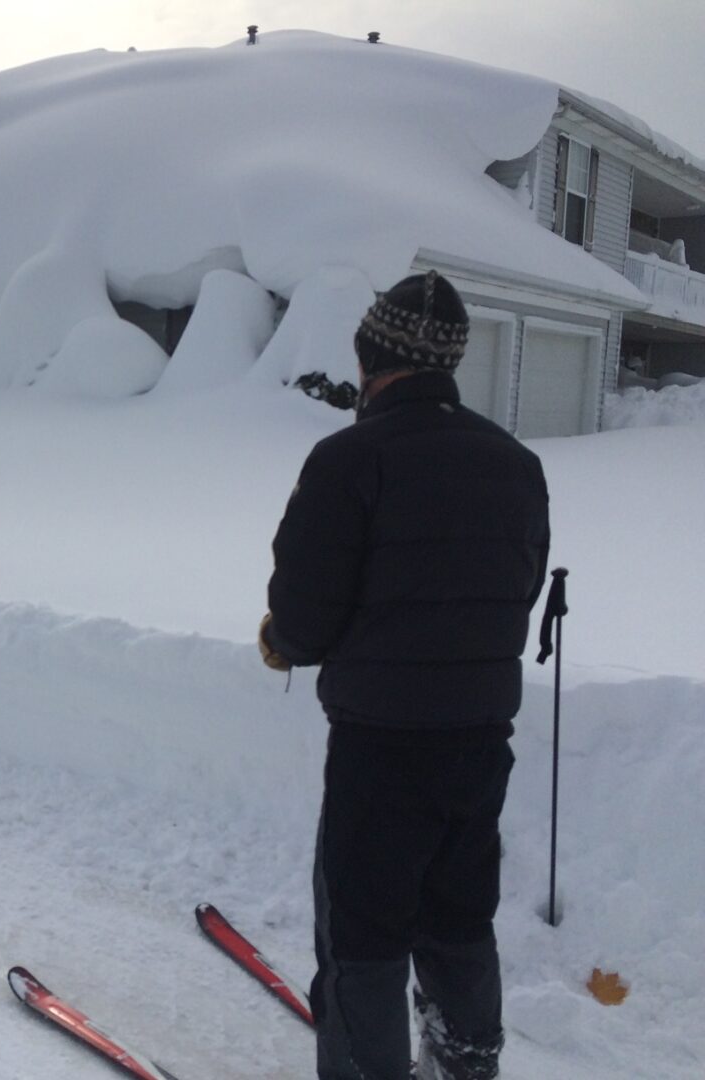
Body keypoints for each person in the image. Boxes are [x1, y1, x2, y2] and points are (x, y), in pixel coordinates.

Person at [258, 271, 550, 1080]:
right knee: (459, 918)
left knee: (364, 936)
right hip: (481, 743)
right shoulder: (516, 464)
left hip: (381, 748)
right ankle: (464, 1064)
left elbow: (305, 619)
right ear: (449, 366)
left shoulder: (349, 460)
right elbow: (520, 591)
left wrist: (278, 639)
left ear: (371, 358)